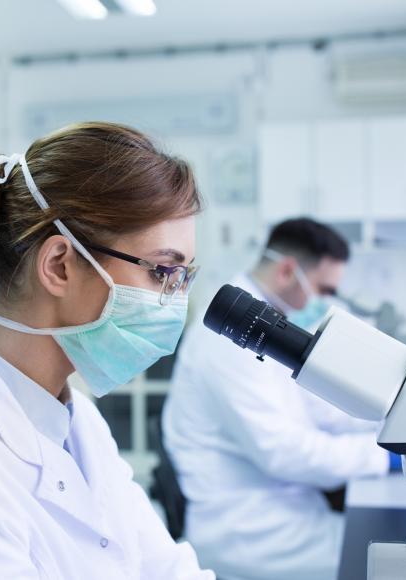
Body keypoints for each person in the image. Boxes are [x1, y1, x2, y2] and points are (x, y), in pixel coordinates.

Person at [0, 122, 215, 579]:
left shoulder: (76, 418)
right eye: (162, 271)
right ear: (59, 266)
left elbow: (166, 569)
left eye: (183, 276)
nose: (175, 301)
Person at [163, 217, 391, 580]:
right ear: (288, 271)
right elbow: (283, 451)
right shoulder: (230, 337)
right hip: (252, 531)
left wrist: (390, 422)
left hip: (286, 510)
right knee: (386, 559)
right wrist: (384, 458)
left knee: (387, 546)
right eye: (325, 289)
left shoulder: (268, 325)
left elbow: (316, 409)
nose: (328, 301)